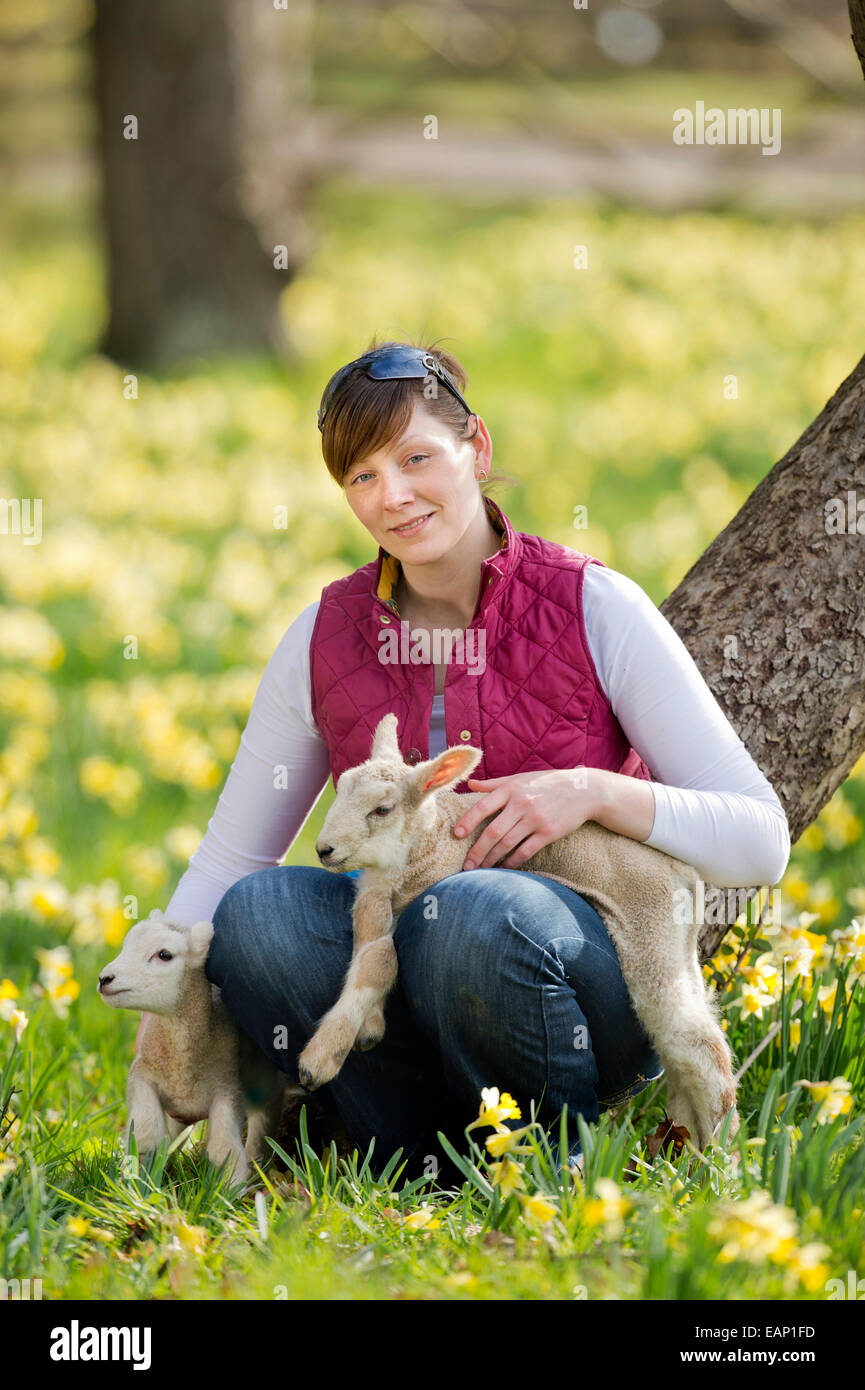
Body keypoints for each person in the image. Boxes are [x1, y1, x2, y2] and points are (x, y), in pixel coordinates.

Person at [144, 338, 791, 1180]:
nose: (394, 497)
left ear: (476, 448)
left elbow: (760, 839)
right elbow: (233, 857)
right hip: (397, 983)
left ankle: (546, 1157)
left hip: (571, 970)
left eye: (417, 459)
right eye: (363, 478)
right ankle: (409, 1152)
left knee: (475, 916)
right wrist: (162, 1013)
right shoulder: (322, 637)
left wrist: (587, 791)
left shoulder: (593, 605)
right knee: (258, 913)